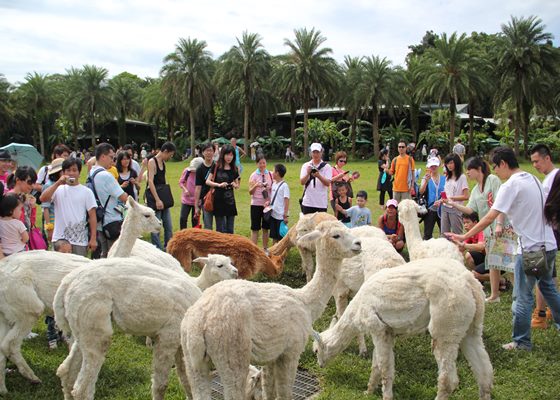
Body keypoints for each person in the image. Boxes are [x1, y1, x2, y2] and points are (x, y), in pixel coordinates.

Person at [447, 146, 560, 351]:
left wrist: (464, 236)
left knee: (522, 296)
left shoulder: (510, 185)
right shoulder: (532, 178)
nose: (495, 172)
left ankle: (521, 342)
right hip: (549, 246)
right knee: (547, 288)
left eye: (496, 167)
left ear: (504, 164)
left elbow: (490, 216)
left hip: (531, 249)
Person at [445, 156, 504, 302]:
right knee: (493, 262)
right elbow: (470, 210)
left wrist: (499, 224)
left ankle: (516, 291)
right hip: (488, 231)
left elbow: (501, 204)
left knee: (509, 264)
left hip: (500, 229)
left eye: (469, 170)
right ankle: (495, 295)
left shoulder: (493, 180)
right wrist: (452, 204)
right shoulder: (476, 190)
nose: (467, 173)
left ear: (478, 169)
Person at [40, 157, 97, 256]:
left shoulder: (86, 192)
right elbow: (43, 199)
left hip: (79, 241)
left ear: (79, 173)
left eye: (74, 170)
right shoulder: (58, 189)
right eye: (68, 170)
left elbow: (92, 216)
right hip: (59, 239)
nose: (71, 173)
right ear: (63, 172)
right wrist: (58, 183)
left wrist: (93, 238)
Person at [529, 144, 559, 328]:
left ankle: (540, 313)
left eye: (537, 161)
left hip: (549, 232)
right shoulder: (550, 178)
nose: (534, 165)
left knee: (541, 275)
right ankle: (547, 310)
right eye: (532, 162)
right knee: (549, 273)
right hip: (551, 232)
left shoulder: (552, 178)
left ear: (547, 158)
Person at [89, 143, 128, 258]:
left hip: (100, 220)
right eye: (111, 157)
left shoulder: (92, 173)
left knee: (104, 255)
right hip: (112, 221)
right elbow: (123, 197)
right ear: (103, 157)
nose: (113, 161)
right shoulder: (106, 176)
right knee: (115, 256)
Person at [146, 141, 175, 249]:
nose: (170, 157)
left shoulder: (163, 163)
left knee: (168, 226)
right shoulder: (152, 162)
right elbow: (150, 182)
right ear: (165, 151)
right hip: (155, 199)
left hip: (163, 198)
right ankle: (157, 249)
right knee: (155, 227)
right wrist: (157, 200)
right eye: (170, 155)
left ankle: (168, 248)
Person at [206, 145, 240, 234]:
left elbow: (237, 185)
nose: (229, 157)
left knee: (230, 229)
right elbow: (208, 181)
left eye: (231, 155)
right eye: (227, 155)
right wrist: (218, 185)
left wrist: (234, 185)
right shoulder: (216, 166)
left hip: (230, 201)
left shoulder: (234, 168)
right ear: (223, 155)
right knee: (220, 229)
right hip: (219, 200)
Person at [248, 155, 273, 251]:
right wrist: (256, 185)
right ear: (256, 164)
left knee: (266, 228)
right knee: (255, 228)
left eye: (264, 163)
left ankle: (265, 248)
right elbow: (250, 192)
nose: (262, 165)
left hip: (266, 205)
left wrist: (268, 188)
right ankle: (253, 249)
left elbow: (273, 188)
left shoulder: (270, 174)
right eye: (260, 163)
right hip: (255, 204)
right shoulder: (253, 175)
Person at [440, 153, 469, 235]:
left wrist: (452, 199)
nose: (449, 165)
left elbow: (466, 196)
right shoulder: (447, 177)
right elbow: (446, 193)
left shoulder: (462, 177)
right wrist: (442, 200)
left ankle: (459, 248)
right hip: (445, 207)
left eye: (451, 163)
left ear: (457, 163)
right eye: (447, 163)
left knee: (457, 234)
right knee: (444, 234)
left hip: (456, 208)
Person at [299, 143, 332, 214]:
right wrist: (308, 173)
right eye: (314, 152)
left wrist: (318, 176)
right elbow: (302, 182)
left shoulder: (327, 167)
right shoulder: (306, 165)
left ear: (321, 152)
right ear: (311, 153)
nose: (316, 154)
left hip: (321, 203)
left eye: (318, 152)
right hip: (308, 202)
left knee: (321, 224)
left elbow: (328, 183)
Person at [419, 157, 446, 240]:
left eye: (435, 166)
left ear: (438, 166)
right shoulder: (426, 178)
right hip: (430, 208)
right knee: (427, 233)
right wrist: (426, 182)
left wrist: (442, 200)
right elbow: (421, 192)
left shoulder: (444, 178)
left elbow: (446, 192)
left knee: (444, 233)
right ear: (428, 167)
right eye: (431, 166)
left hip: (442, 209)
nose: (433, 168)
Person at [7, 166, 38, 234]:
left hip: (24, 241)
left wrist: (33, 207)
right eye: (29, 182)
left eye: (34, 182)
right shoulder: (8, 198)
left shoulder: (25, 198)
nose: (33, 186)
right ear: (18, 180)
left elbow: (30, 224)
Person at [40, 158, 64, 243]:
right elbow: (45, 208)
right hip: (53, 219)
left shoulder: (64, 184)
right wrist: (49, 228)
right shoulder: (49, 186)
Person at [194, 143, 216, 230]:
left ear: (214, 152)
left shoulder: (217, 166)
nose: (209, 153)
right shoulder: (200, 169)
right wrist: (196, 206)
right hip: (206, 200)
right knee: (208, 225)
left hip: (218, 198)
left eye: (211, 150)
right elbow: (198, 187)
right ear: (203, 153)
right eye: (207, 150)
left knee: (220, 224)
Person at [268, 163, 290, 244]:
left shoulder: (284, 186)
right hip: (273, 214)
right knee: (274, 236)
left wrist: (285, 214)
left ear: (277, 173)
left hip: (280, 216)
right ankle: (274, 253)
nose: (272, 172)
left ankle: (281, 254)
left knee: (280, 237)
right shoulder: (274, 184)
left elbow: (286, 200)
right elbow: (273, 197)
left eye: (273, 171)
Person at [179, 157, 203, 229]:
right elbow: (181, 182)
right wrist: (185, 189)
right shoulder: (187, 171)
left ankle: (195, 236)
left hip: (197, 201)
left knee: (195, 220)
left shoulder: (202, 173)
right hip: (186, 200)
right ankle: (183, 235)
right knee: (183, 218)